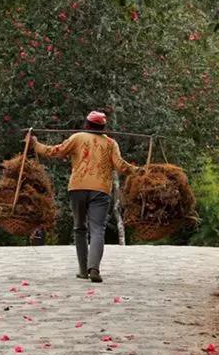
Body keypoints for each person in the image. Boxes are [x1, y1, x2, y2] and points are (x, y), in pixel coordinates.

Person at [30, 111, 139, 283]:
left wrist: (36, 145)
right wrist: (137, 170)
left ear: (87, 125)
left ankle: (83, 270)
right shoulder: (111, 143)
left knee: (80, 228)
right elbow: (120, 166)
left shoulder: (77, 137)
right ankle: (93, 268)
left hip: (78, 188)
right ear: (103, 127)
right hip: (101, 190)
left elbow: (55, 151)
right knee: (97, 229)